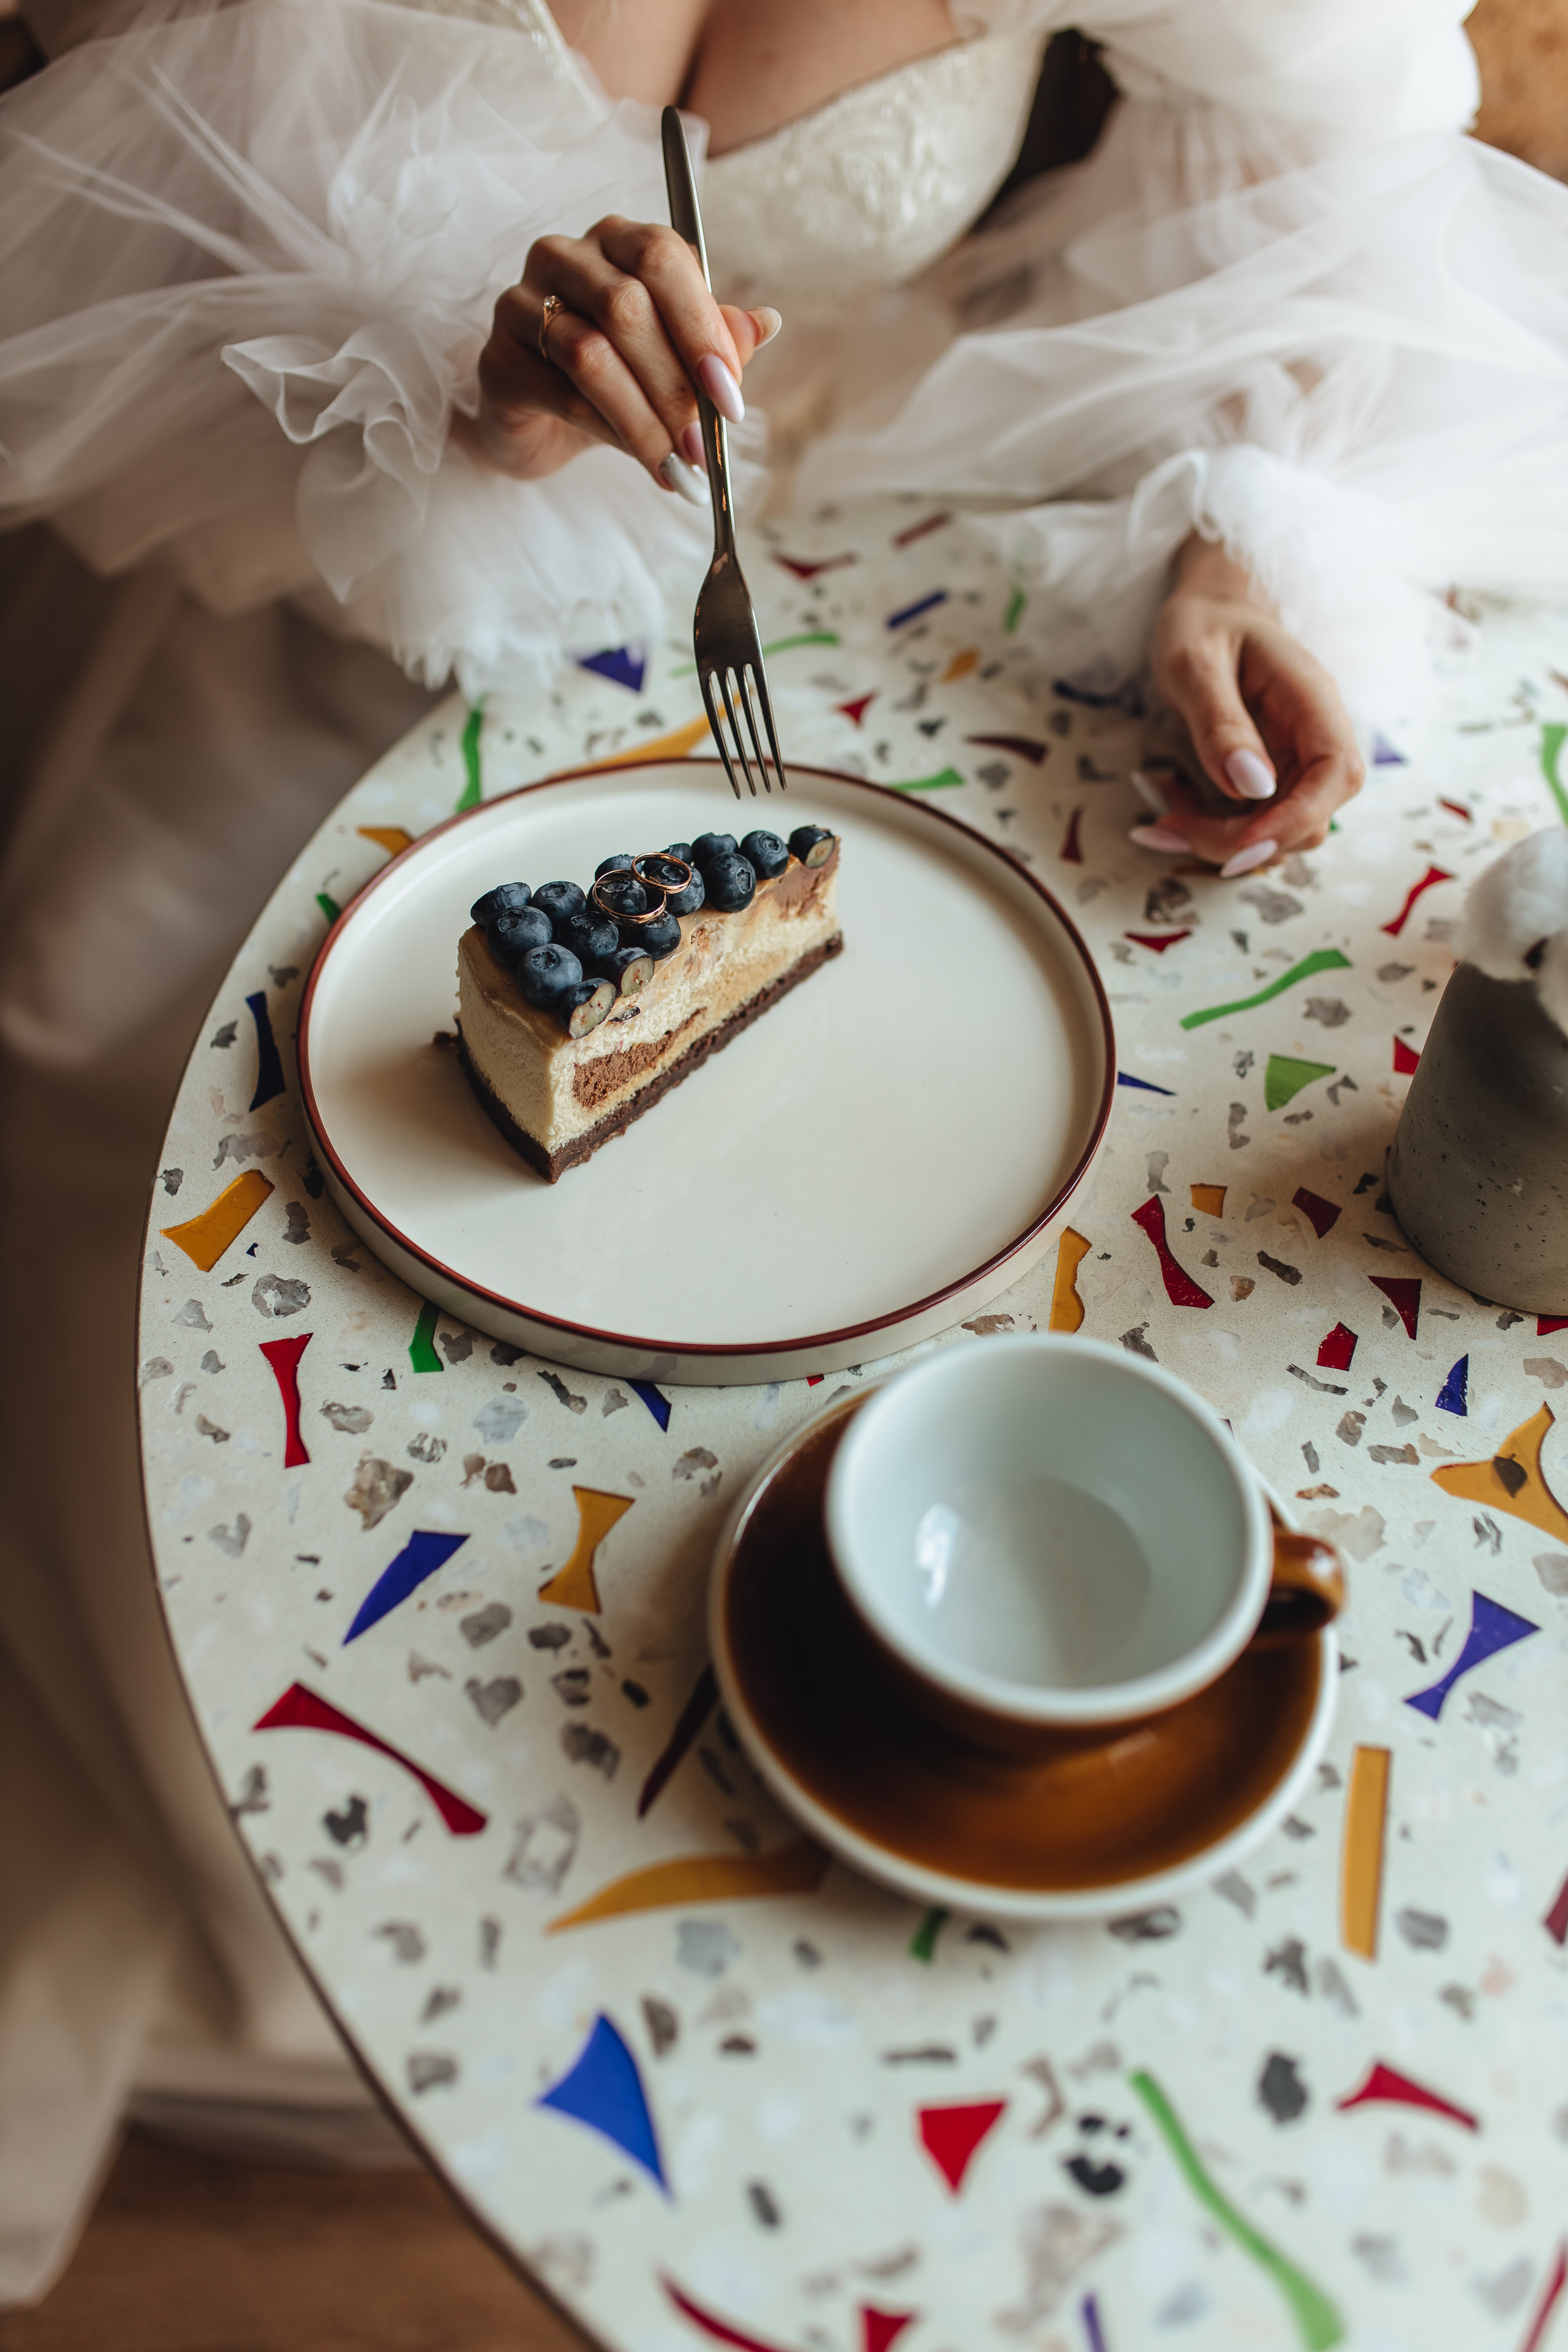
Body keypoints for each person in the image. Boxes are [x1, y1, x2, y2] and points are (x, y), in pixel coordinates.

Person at [2, 0, 1567, 2304]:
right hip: (299, 617)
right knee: (150, 1246)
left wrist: (1248, 536)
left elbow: (1311, 195)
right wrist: (457, 363)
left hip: (799, 622)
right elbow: (110, 245)